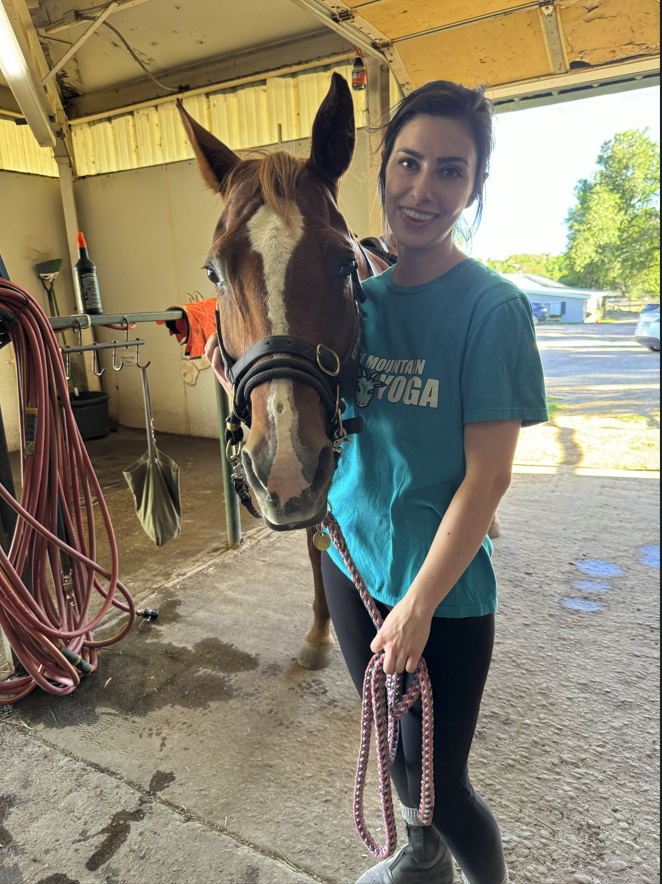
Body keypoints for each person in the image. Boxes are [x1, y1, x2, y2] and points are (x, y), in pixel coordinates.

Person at [319, 81, 548, 884]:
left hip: (439, 599)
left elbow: (489, 479)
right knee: (392, 753)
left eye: (451, 172)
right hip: (350, 568)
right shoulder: (356, 301)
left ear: (474, 187)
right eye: (409, 163)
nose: (423, 190)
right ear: (382, 170)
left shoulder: (493, 308)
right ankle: (419, 865)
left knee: (441, 787)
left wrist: (416, 605)